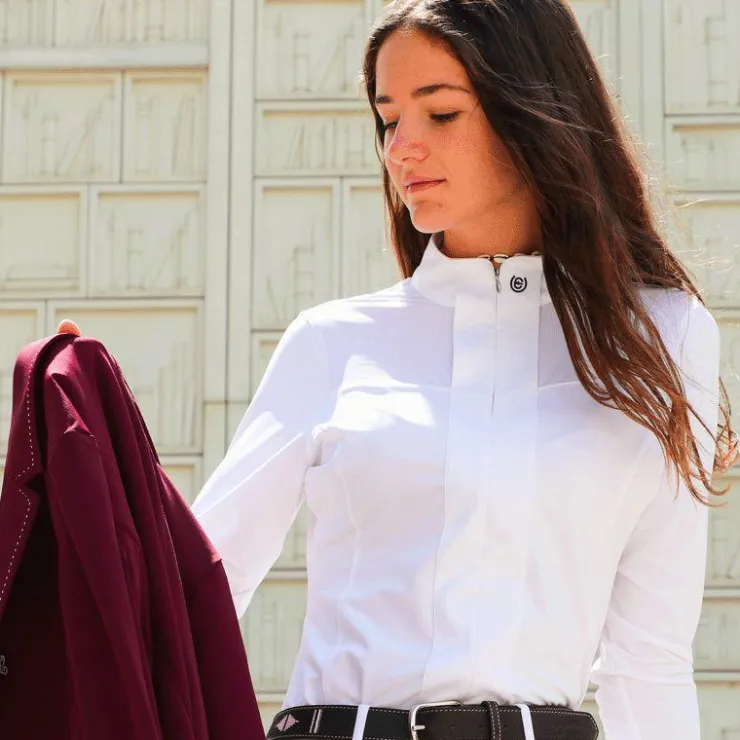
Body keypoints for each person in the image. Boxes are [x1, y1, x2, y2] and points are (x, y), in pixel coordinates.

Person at [191, 1, 738, 739]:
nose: (401, 149)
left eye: (440, 113)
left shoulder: (662, 340)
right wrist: (80, 411)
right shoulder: (332, 344)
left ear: (534, 111)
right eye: (388, 119)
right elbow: (195, 590)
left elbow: (650, 659)